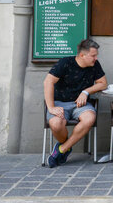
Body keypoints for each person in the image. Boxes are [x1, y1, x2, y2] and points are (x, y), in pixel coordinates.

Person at [43, 39, 108, 168]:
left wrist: (86, 92)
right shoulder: (65, 62)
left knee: (89, 118)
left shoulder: (95, 65)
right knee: (56, 124)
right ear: (83, 55)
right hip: (60, 102)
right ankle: (65, 146)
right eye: (93, 56)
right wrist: (51, 107)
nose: (96, 58)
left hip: (81, 105)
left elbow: (103, 83)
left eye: (96, 55)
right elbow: (48, 82)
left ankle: (62, 149)